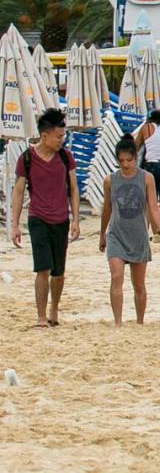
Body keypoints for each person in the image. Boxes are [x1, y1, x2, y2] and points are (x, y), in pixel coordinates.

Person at [9, 108, 80, 328]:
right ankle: (40, 317)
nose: (62, 140)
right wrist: (15, 225)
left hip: (61, 219)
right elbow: (19, 192)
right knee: (43, 269)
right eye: (58, 137)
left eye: (63, 136)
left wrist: (76, 219)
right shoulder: (27, 158)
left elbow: (74, 188)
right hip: (38, 218)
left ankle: (54, 309)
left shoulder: (65, 156)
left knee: (58, 272)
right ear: (44, 136)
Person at [98, 134, 160, 329]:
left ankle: (139, 322)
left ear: (136, 157)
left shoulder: (147, 178)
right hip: (116, 234)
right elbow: (107, 209)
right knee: (116, 277)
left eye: (129, 160)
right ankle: (118, 323)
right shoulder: (110, 181)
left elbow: (154, 207)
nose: (126, 164)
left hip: (138, 235)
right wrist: (102, 234)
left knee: (139, 285)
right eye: (121, 161)